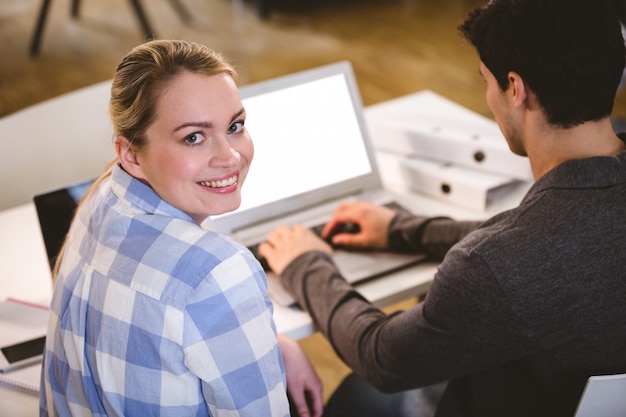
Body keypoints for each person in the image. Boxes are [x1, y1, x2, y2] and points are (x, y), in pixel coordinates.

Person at [258, 0, 626, 416]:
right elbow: (543, 235)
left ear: (515, 89)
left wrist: (308, 264)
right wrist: (403, 229)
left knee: (354, 397)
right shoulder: (536, 238)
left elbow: (382, 357)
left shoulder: (494, 265)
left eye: (485, 80)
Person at [40, 39, 322, 417]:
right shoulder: (217, 274)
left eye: (235, 126)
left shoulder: (99, 200)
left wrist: (270, 342)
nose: (230, 156)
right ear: (131, 154)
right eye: (194, 137)